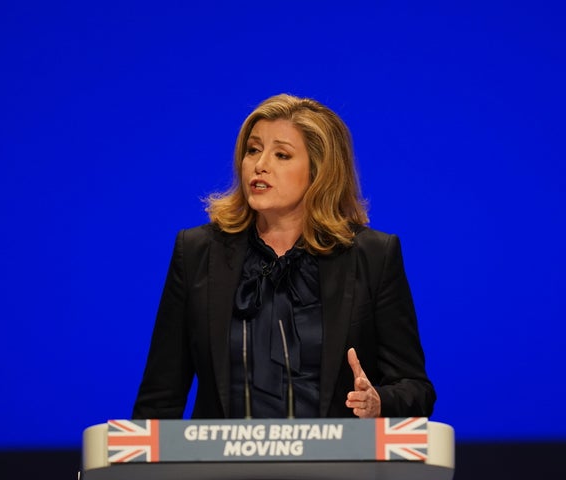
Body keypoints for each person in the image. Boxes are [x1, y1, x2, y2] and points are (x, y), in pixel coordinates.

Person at [132, 94, 435, 420]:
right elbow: (160, 398)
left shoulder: (373, 256)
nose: (260, 165)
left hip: (335, 466)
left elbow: (415, 389)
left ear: (319, 171)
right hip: (224, 467)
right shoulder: (197, 252)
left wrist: (379, 403)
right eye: (253, 150)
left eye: (281, 155)